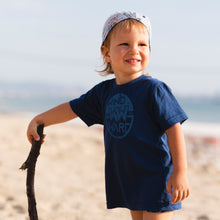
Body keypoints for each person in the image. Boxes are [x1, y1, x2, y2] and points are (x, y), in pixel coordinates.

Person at [27, 11, 190, 220]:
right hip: (129, 178)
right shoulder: (104, 93)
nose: (135, 50)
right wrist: (39, 120)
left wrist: (180, 173)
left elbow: (174, 128)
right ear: (106, 53)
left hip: (157, 177)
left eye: (142, 44)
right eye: (125, 44)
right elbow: (72, 108)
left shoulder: (154, 89)